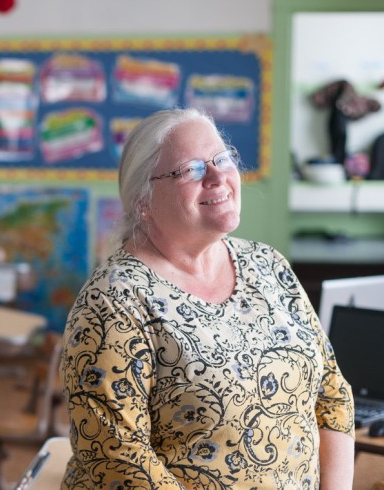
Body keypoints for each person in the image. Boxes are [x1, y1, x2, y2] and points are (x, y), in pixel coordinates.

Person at [59, 108, 354, 489]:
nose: (218, 177)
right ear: (143, 201)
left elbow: (333, 395)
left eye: (223, 159)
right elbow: (118, 458)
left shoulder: (267, 264)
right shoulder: (113, 301)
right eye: (191, 169)